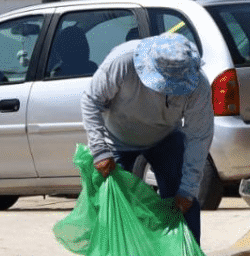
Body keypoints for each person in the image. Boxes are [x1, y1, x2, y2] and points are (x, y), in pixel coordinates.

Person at [81, 33, 213, 244]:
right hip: (117, 137)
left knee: (185, 199)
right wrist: (99, 150)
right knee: (113, 205)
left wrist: (188, 190)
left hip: (165, 137)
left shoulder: (198, 85)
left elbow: (199, 136)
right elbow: (91, 100)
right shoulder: (123, 63)